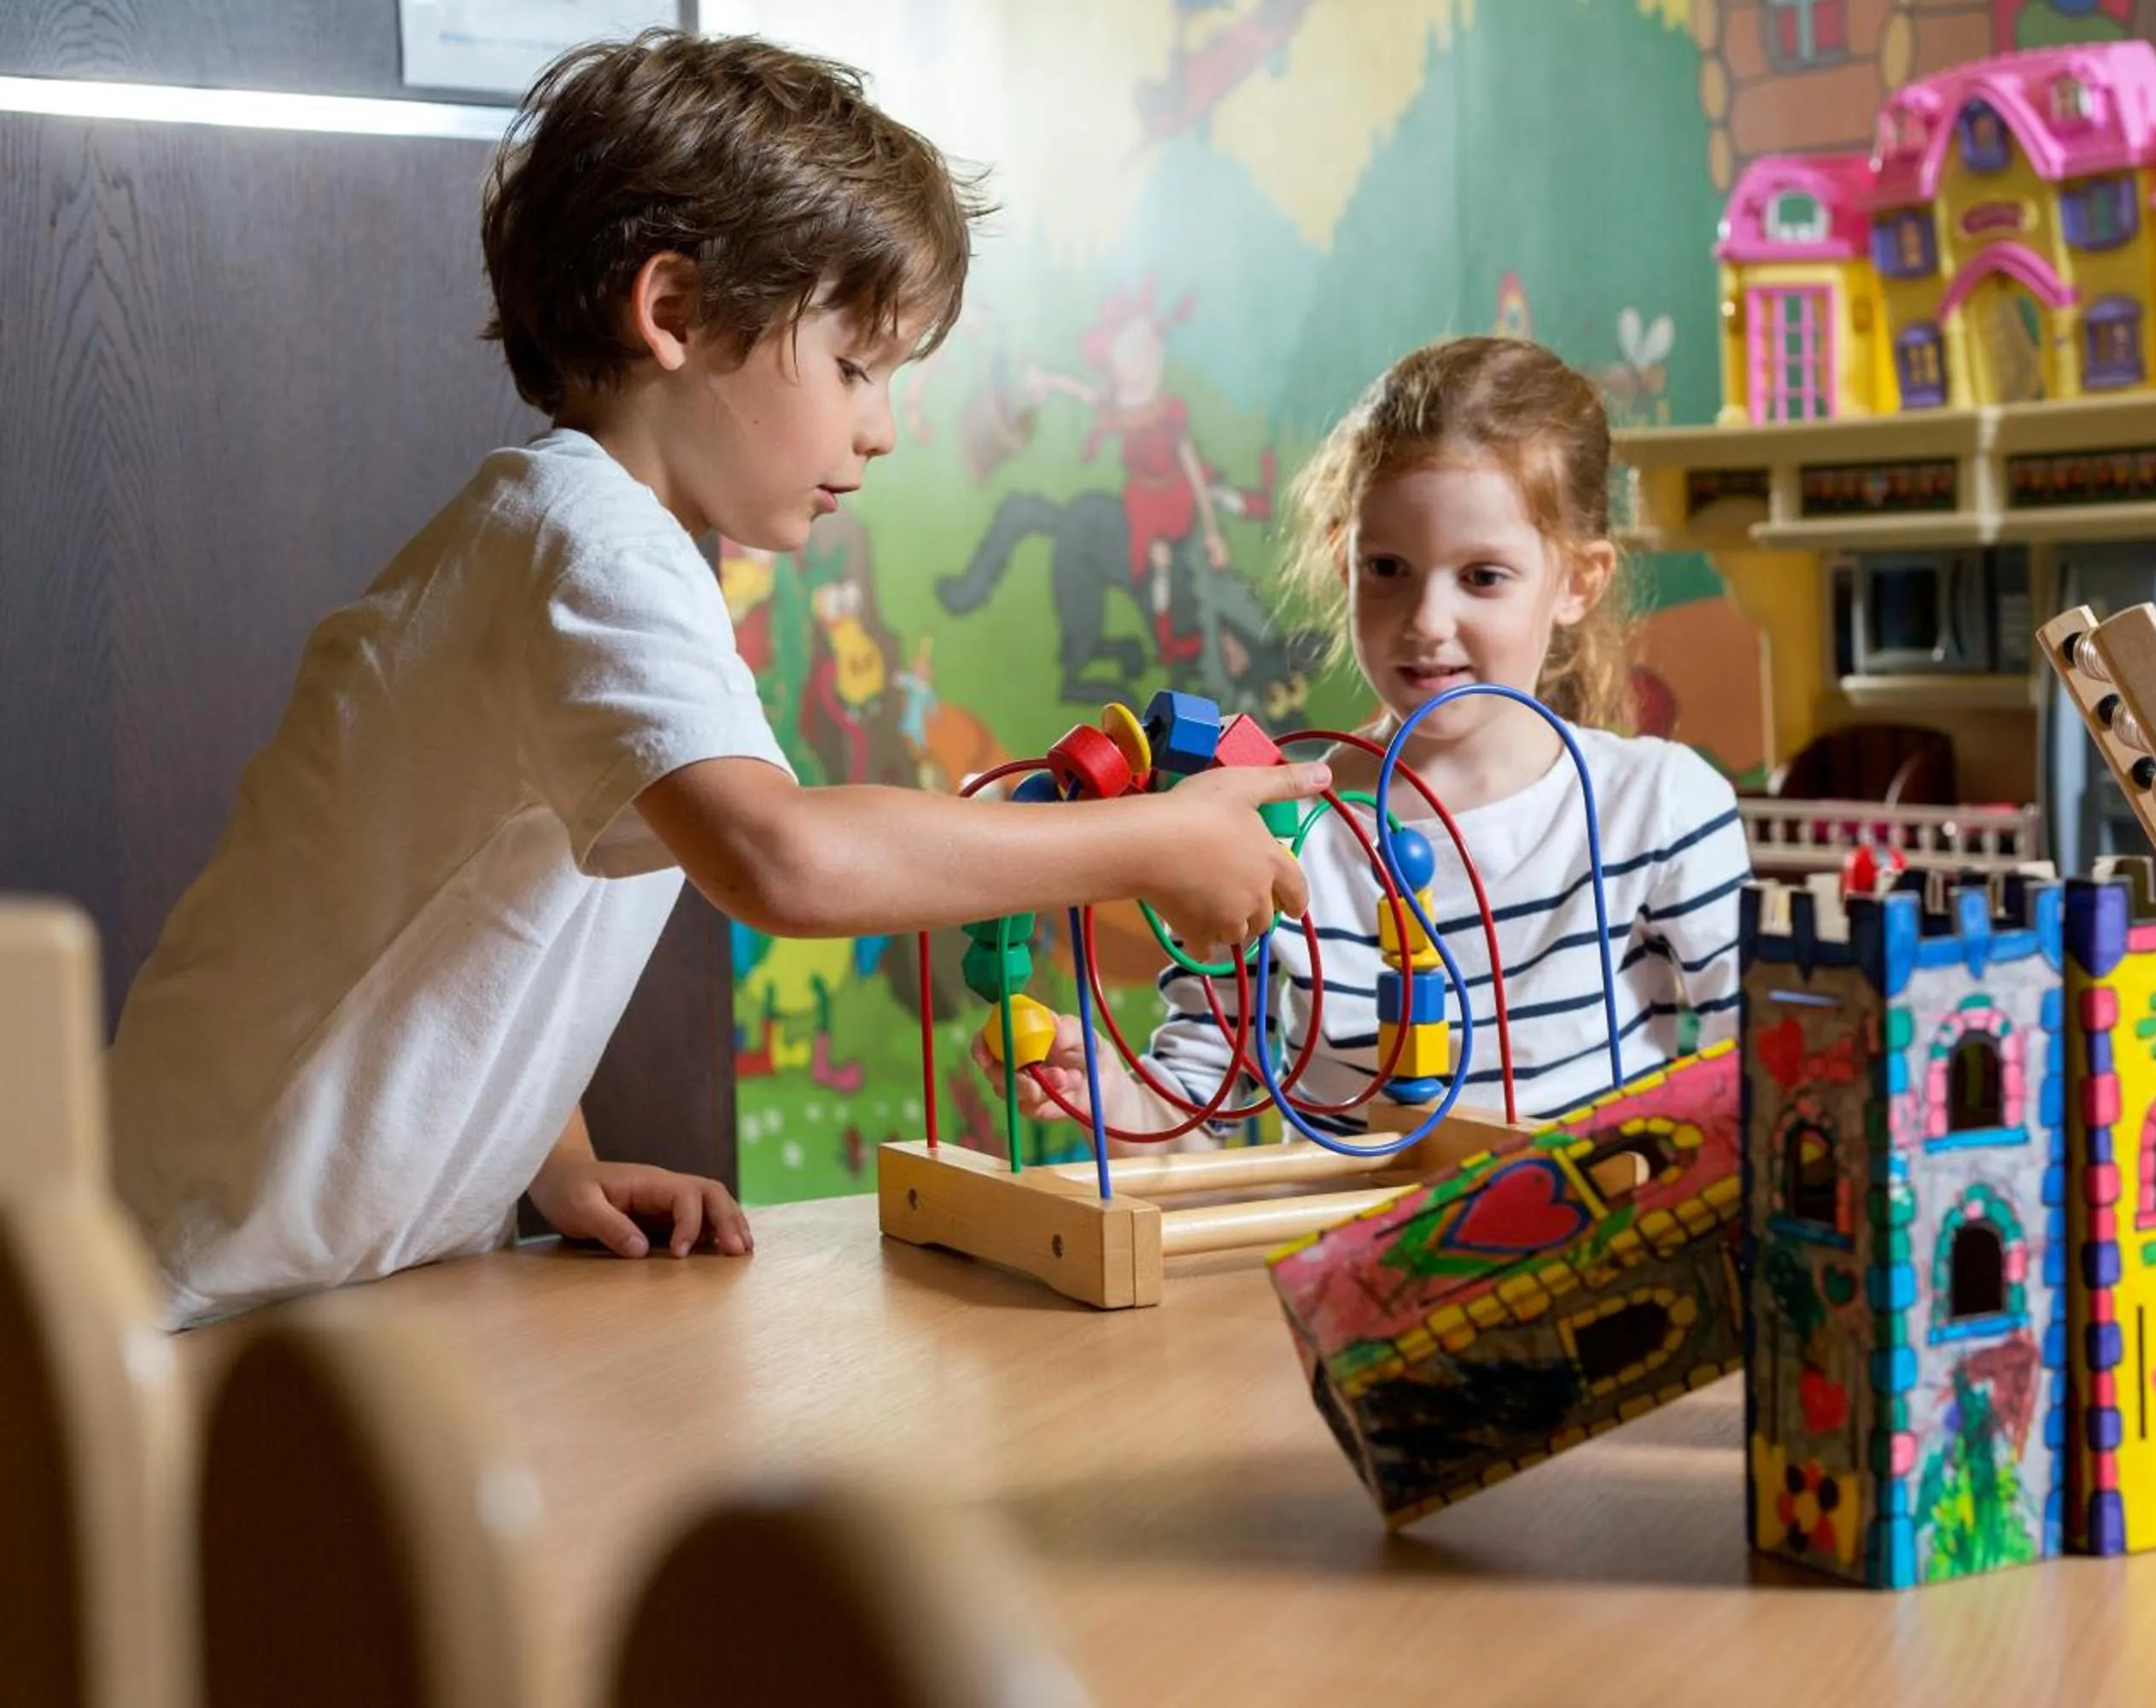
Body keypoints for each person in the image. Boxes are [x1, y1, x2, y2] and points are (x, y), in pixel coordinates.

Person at [105, 30, 1326, 1330]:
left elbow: (478, 899)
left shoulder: (572, 546)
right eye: (857, 365)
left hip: (298, 1286)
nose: (883, 426)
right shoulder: (592, 547)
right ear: (674, 312)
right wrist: (1150, 843)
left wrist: (549, 1156)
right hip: (180, 1287)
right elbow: (782, 861)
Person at [976, 336, 1748, 1144]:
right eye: (1387, 567)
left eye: (1483, 576)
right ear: (1342, 558)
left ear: (1577, 582)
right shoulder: (1268, 828)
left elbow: (1763, 1073)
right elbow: (1192, 1121)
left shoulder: (1658, 808)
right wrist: (1105, 1092)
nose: (1426, 620)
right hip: (1343, 1265)